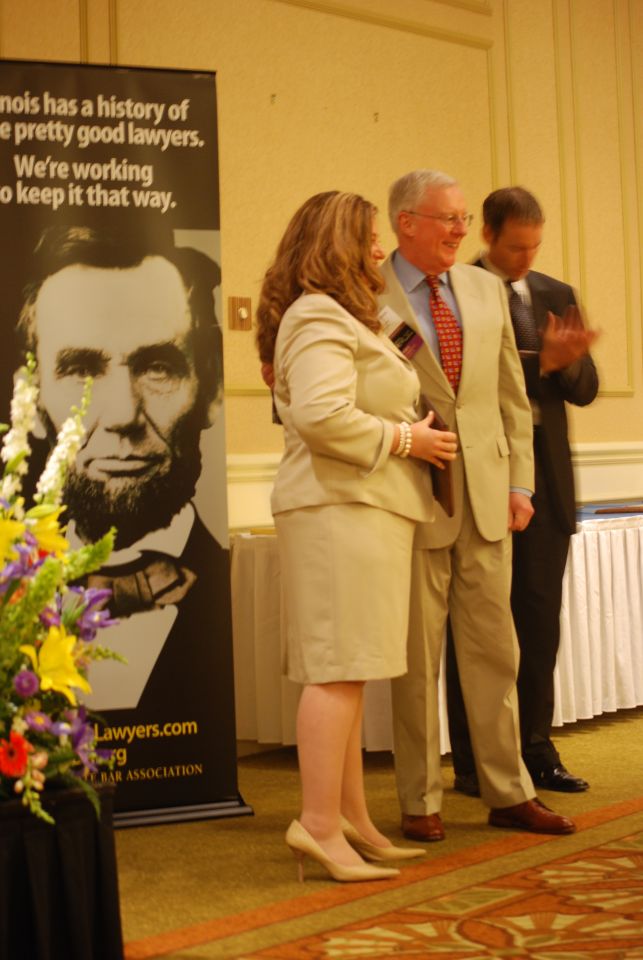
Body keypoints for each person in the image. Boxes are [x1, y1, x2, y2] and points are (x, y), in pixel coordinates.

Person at [255, 190, 458, 882]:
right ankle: (316, 826)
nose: (380, 249)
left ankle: (351, 820)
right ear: (340, 243)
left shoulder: (350, 317)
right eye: (371, 237)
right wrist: (408, 437)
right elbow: (318, 414)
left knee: (351, 668)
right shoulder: (316, 314)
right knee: (337, 669)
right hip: (338, 506)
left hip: (363, 506)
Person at [379, 169, 576, 840]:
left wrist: (520, 483)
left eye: (464, 219)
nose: (461, 231)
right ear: (406, 223)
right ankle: (419, 798)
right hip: (412, 499)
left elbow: (508, 400)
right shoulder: (365, 295)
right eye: (448, 219)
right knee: (415, 658)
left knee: (496, 652)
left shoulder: (484, 289)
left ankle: (505, 788)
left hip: (492, 500)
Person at [14, 225, 238, 807]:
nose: (120, 414)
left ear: (209, 389)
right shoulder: (16, 593)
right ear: (31, 396)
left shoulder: (227, 593)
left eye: (158, 367)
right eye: (81, 368)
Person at [446, 186, 599, 797]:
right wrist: (542, 364)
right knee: (479, 627)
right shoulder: (454, 290)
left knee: (538, 624)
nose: (525, 258)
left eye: (535, 246)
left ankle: (536, 747)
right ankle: (472, 761)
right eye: (515, 246)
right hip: (481, 482)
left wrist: (567, 363)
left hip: (548, 487)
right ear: (487, 233)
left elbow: (585, 390)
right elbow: (468, 376)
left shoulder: (557, 295)